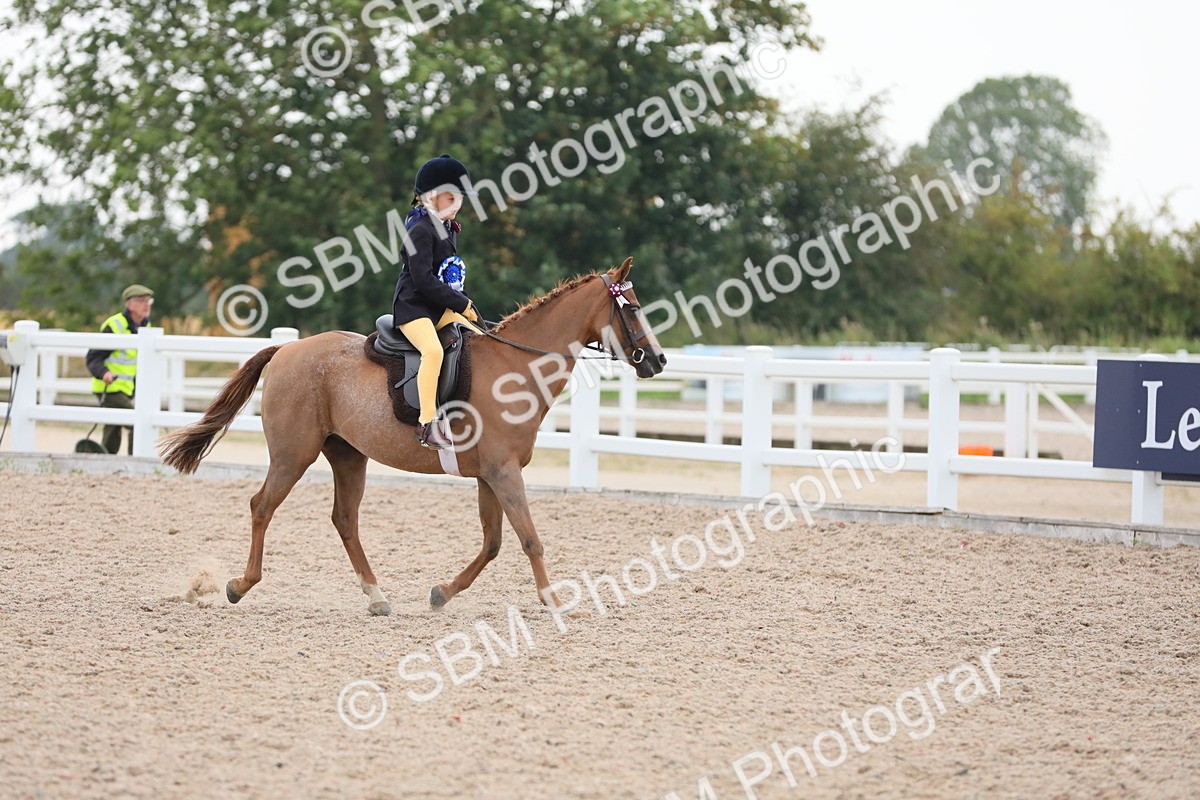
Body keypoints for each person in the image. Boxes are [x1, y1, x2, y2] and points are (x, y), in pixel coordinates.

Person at [393, 154, 484, 450]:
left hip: (438, 308)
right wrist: (460, 304)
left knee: (479, 338)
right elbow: (423, 279)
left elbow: (446, 274)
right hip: (414, 308)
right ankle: (427, 423)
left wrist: (464, 305)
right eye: (451, 197)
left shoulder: (444, 226)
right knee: (432, 351)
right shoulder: (419, 229)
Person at [85, 284, 154, 455]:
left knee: (112, 427)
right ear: (129, 304)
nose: (146, 305)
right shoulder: (114, 325)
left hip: (127, 388)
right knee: (136, 422)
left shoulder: (146, 326)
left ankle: (104, 460)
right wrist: (104, 373)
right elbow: (93, 357)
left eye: (148, 301)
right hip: (110, 388)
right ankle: (135, 460)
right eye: (141, 301)